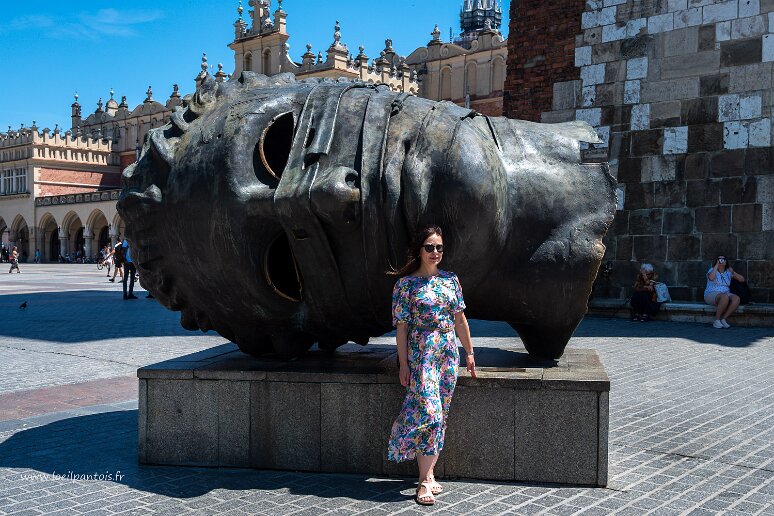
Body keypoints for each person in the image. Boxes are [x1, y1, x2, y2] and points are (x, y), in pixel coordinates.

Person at [386, 226, 476, 506]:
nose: (435, 252)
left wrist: (470, 353)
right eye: (429, 247)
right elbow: (401, 329)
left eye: (439, 247)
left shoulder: (451, 280)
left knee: (442, 412)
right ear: (419, 250)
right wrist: (403, 363)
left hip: (448, 353)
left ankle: (430, 472)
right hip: (421, 353)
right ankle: (423, 481)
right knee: (430, 410)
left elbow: (460, 320)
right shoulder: (405, 285)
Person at [704, 254, 745, 328]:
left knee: (736, 298)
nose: (721, 261)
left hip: (725, 293)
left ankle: (723, 319)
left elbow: (742, 279)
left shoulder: (728, 272)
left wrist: (733, 272)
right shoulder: (712, 270)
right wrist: (716, 265)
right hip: (711, 293)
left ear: (726, 261)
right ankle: (717, 320)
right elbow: (711, 278)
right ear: (717, 261)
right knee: (725, 297)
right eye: (719, 259)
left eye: (723, 259)